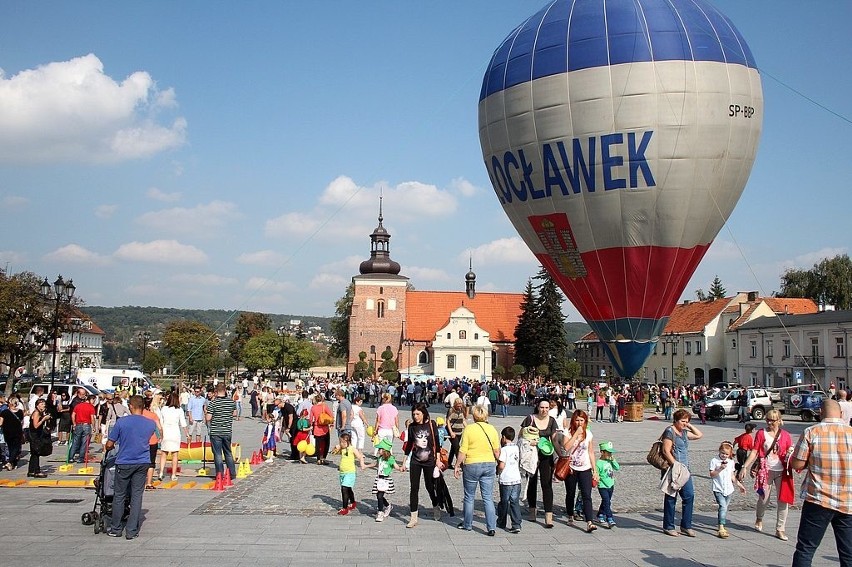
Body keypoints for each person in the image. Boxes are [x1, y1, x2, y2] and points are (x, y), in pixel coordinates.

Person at [790, 399, 852, 567]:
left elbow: (797, 464)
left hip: (818, 499)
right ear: (841, 414)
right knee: (848, 554)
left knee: (806, 549)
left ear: (820, 413)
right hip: (848, 501)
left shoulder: (811, 432)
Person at [105, 395, 157, 539]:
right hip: (142, 462)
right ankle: (132, 530)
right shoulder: (150, 423)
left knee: (119, 495)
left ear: (131, 406)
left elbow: (110, 443)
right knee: (136, 495)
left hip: (124, 461)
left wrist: (108, 447)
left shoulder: (122, 422)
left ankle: (116, 528)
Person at [737, 408, 794, 540]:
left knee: (783, 500)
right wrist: (745, 466)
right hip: (765, 470)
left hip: (782, 471)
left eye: (772, 421)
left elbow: (790, 451)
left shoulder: (785, 435)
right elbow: (755, 451)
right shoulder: (761, 434)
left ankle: (780, 529)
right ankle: (759, 518)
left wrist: (791, 454)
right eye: (767, 420)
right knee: (764, 498)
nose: (769, 423)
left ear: (779, 421)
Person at [453, 404, 500, 535]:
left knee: (469, 497)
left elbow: (463, 451)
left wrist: (457, 465)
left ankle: (467, 524)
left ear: (473, 416)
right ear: (486, 415)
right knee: (488, 497)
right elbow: (497, 451)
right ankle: (491, 527)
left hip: (472, 464)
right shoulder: (492, 429)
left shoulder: (469, 429)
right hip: (489, 463)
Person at [660, 409, 703, 537]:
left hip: (685, 470)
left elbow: (699, 435)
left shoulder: (684, 432)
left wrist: (688, 425)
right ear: (676, 420)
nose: (685, 423)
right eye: (682, 421)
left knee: (689, 495)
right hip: (674, 469)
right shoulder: (670, 431)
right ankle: (668, 526)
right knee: (671, 498)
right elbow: (665, 450)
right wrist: (675, 465)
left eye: (687, 421)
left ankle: (686, 525)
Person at [401, 403, 442, 528]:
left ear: (423, 414)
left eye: (418, 414)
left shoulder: (431, 424)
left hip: (429, 461)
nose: (415, 416)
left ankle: (436, 506)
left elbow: (437, 443)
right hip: (415, 461)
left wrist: (438, 460)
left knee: (430, 486)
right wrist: (404, 461)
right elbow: (409, 445)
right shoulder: (412, 427)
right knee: (414, 488)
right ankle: (413, 517)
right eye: (413, 414)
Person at [520, 398, 558, 528]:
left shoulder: (552, 421)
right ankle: (532, 511)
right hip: (532, 455)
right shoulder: (530, 419)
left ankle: (548, 515)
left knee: (546, 484)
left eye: (547, 408)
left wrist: (560, 455)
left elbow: (554, 440)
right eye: (542, 407)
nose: (544, 410)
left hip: (546, 455)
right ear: (538, 407)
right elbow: (521, 436)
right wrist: (530, 442)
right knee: (532, 482)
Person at [559, 409, 598, 533]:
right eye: (577, 420)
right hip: (570, 468)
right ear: (573, 421)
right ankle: (570, 514)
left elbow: (591, 452)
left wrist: (594, 469)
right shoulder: (567, 432)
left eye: (582, 420)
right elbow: (566, 447)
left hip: (585, 468)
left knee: (586, 495)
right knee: (570, 493)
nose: (579, 423)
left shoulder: (588, 434)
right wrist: (576, 434)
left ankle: (589, 522)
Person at [709, 440, 745, 538]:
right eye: (722, 453)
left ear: (730, 454)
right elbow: (712, 474)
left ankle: (720, 522)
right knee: (723, 506)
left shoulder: (731, 462)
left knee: (724, 508)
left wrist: (739, 485)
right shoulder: (714, 461)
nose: (724, 455)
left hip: (729, 489)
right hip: (718, 488)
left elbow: (732, 476)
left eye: (726, 454)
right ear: (719, 451)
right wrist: (720, 468)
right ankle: (721, 526)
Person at [205, 383, 237, 483]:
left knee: (218, 454)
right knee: (228, 452)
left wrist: (207, 412)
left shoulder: (213, 403)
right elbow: (235, 414)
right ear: (225, 390)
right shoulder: (231, 402)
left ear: (216, 391)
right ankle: (232, 473)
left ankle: (220, 474)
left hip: (216, 431)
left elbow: (208, 418)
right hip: (227, 431)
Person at [367, 437, 403, 522]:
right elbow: (376, 464)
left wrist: (400, 468)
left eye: (380, 449)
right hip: (379, 479)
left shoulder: (390, 459)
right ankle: (387, 505)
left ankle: (380, 512)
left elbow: (396, 466)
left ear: (384, 450)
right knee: (378, 495)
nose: (378, 450)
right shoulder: (380, 458)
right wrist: (366, 466)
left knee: (380, 495)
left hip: (385, 480)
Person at [332, 432, 366, 515]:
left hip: (350, 472)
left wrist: (362, 465)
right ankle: (353, 502)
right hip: (342, 472)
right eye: (341, 442)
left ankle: (345, 508)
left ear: (348, 442)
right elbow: (333, 453)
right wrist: (336, 448)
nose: (342, 444)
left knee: (344, 489)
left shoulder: (352, 449)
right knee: (348, 489)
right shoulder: (342, 449)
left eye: (343, 442)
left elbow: (360, 456)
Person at [496, 426, 522, 534]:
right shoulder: (516, 448)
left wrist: (497, 470)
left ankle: (501, 522)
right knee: (515, 502)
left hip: (506, 479)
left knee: (504, 501)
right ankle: (516, 524)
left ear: (503, 437)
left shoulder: (504, 450)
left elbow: (502, 465)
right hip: (516, 479)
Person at [157, 392, 187, 481]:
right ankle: (173, 474)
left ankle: (161, 472)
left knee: (164, 453)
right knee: (175, 454)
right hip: (175, 432)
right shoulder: (179, 410)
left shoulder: (164, 409)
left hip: (166, 431)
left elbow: (161, 422)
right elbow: (183, 423)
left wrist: (160, 433)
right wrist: (187, 434)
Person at [595, 440, 620, 528]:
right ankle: (610, 518)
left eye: (611, 453)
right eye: (608, 453)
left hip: (611, 484)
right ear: (602, 452)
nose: (610, 454)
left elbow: (617, 467)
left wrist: (613, 460)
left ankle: (600, 514)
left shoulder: (609, 461)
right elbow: (596, 475)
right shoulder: (598, 463)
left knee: (606, 501)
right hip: (602, 486)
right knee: (606, 501)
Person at [69, 393, 96, 464]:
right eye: (94, 400)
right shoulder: (91, 407)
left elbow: (73, 415)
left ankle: (71, 457)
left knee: (75, 441)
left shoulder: (78, 406)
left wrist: (74, 423)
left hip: (78, 424)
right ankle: (81, 458)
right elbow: (92, 418)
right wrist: (94, 427)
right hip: (86, 425)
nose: (94, 402)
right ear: (91, 399)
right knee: (84, 442)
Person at [0, 397, 24, 471]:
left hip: (7, 432)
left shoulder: (4, 412)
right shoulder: (20, 412)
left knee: (10, 448)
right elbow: (21, 422)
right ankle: (11, 462)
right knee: (16, 448)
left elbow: (0, 423)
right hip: (17, 432)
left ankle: (11, 463)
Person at [310, 394, 333, 465]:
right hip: (325, 428)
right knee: (326, 443)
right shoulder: (325, 406)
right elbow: (331, 415)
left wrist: (311, 425)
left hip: (317, 428)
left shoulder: (313, 407)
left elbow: (311, 419)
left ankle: (318, 459)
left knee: (318, 444)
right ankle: (323, 458)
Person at [445, 398, 467, 468]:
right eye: (458, 405)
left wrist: (467, 428)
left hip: (459, 431)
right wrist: (451, 432)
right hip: (452, 431)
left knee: (453, 447)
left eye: (461, 405)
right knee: (457, 448)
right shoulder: (451, 410)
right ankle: (461, 465)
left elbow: (463, 420)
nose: (459, 407)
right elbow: (448, 421)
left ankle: (449, 463)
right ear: (455, 404)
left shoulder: (461, 410)